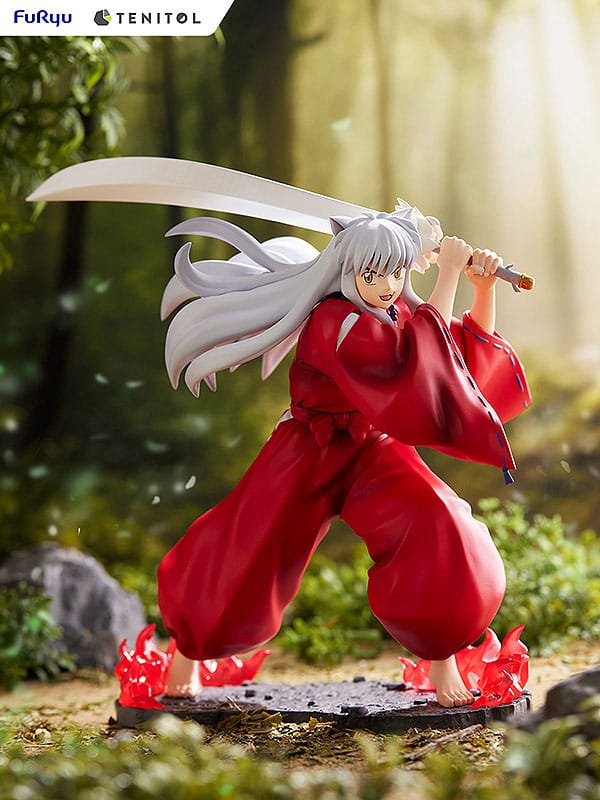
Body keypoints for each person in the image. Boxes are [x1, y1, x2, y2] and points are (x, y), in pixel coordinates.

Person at [157, 208, 531, 708]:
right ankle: (188, 649)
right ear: (344, 271)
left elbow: (455, 362)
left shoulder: (398, 311)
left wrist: (481, 289)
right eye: (371, 274)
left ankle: (441, 659)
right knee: (245, 544)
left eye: (396, 273)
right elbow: (412, 365)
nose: (386, 286)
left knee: (437, 520)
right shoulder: (332, 320)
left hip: (372, 445)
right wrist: (447, 276)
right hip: (308, 449)